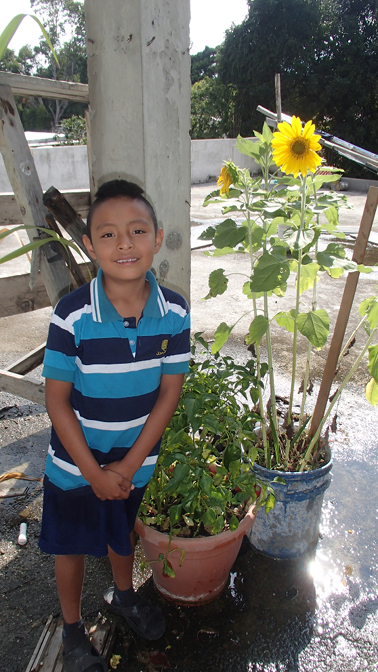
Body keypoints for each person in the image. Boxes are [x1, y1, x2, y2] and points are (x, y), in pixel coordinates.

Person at [39, 179, 190, 672]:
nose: (124, 243)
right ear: (89, 244)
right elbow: (57, 401)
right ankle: (71, 627)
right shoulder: (72, 315)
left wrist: (125, 465)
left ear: (158, 237)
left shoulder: (175, 312)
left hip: (134, 463)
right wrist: (95, 472)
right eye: (107, 234)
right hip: (75, 466)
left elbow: (169, 392)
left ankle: (123, 594)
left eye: (137, 230)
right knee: (73, 547)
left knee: (120, 531)